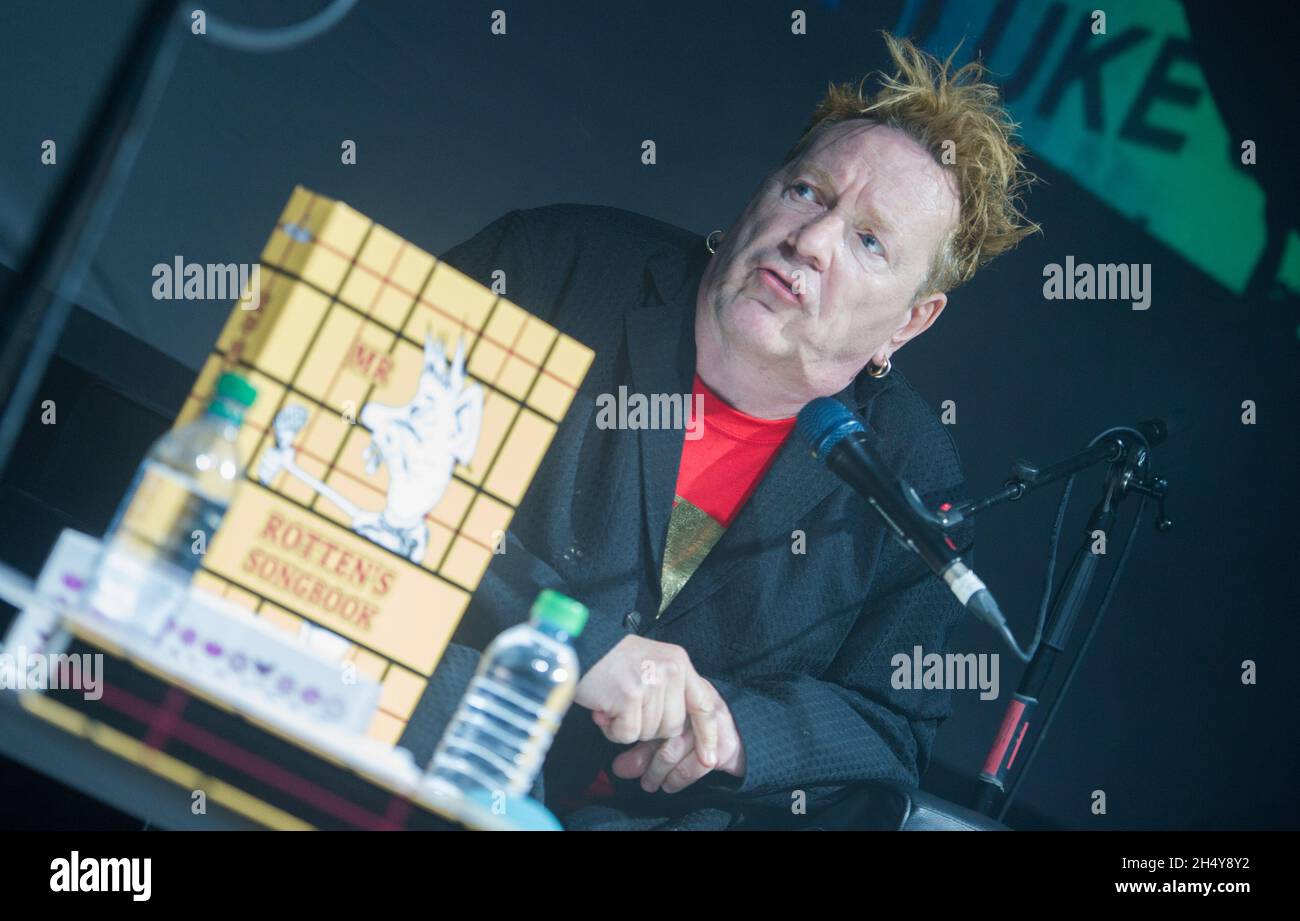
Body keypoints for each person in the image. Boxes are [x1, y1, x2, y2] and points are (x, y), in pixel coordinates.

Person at [400, 32, 1038, 830]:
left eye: (869, 241)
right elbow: (351, 450)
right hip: (404, 750)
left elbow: (890, 725)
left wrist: (737, 733)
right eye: (808, 193)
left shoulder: (915, 470)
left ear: (909, 323)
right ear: (760, 191)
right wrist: (578, 642)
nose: (811, 242)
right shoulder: (550, 267)